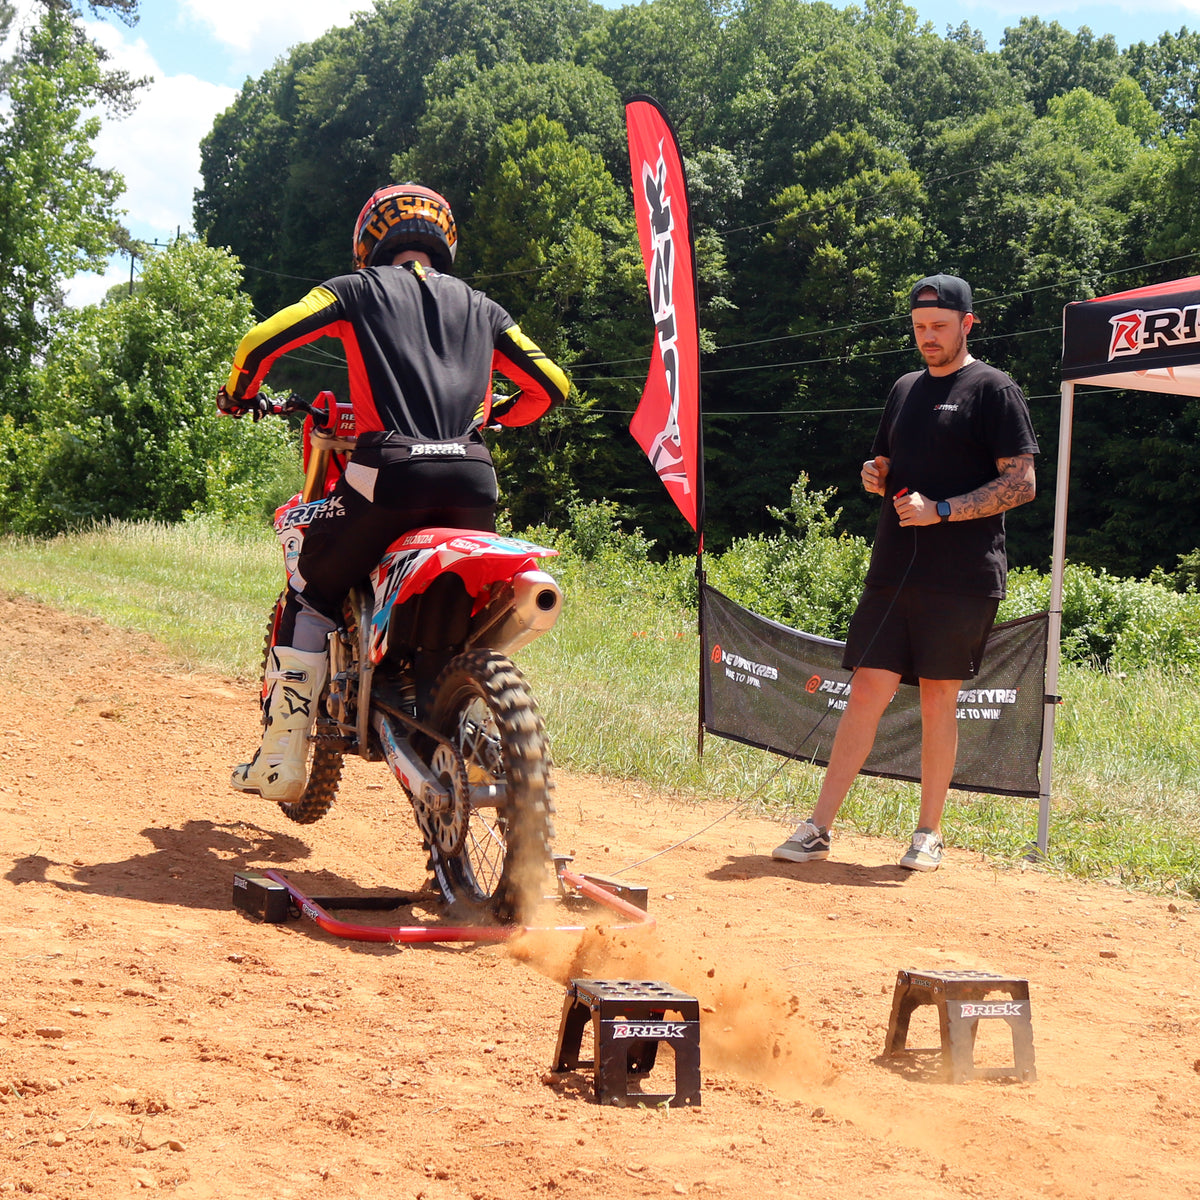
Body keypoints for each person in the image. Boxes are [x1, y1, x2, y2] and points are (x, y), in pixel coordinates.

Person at [217, 183, 570, 802]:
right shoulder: (484, 307)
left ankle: (279, 758)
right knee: (465, 622)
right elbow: (552, 384)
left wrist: (240, 393)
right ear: (444, 243)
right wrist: (497, 418)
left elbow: (258, 343)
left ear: (368, 244)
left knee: (310, 586)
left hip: (389, 475)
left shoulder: (354, 290)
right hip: (472, 483)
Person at [772, 273, 1038, 872]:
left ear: (968, 324)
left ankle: (927, 833)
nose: (928, 338)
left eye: (940, 327)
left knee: (941, 700)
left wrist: (941, 511)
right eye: (920, 328)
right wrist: (875, 473)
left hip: (963, 577)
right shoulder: (903, 389)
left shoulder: (995, 390)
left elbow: (1022, 484)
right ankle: (818, 827)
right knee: (866, 689)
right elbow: (889, 460)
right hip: (893, 570)